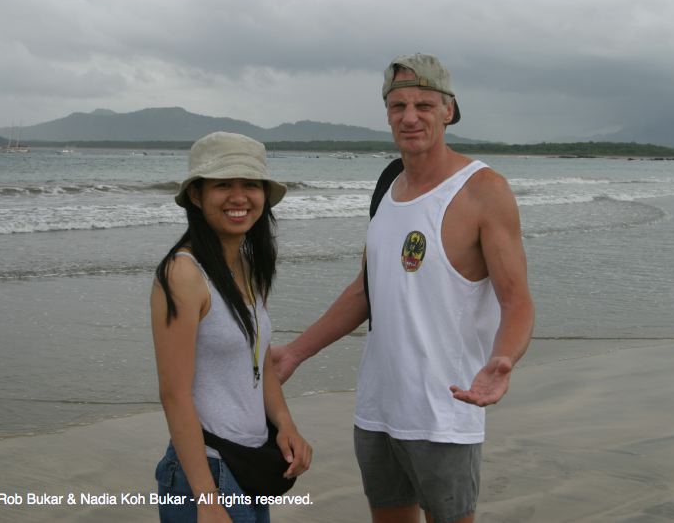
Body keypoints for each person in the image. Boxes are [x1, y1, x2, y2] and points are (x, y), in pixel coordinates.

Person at [272, 54, 535, 523]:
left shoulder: (483, 190)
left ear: (448, 110)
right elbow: (364, 291)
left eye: (423, 105)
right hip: (377, 407)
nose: (409, 117)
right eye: (398, 106)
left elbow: (517, 301)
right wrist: (295, 353)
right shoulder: (387, 184)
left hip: (444, 413)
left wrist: (505, 358)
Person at [151, 132, 312, 523]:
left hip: (249, 464)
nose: (239, 197)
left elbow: (257, 363)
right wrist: (207, 500)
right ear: (196, 195)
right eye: (223, 184)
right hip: (205, 474)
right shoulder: (183, 275)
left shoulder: (249, 267)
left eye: (250, 185)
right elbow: (174, 395)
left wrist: (285, 423)